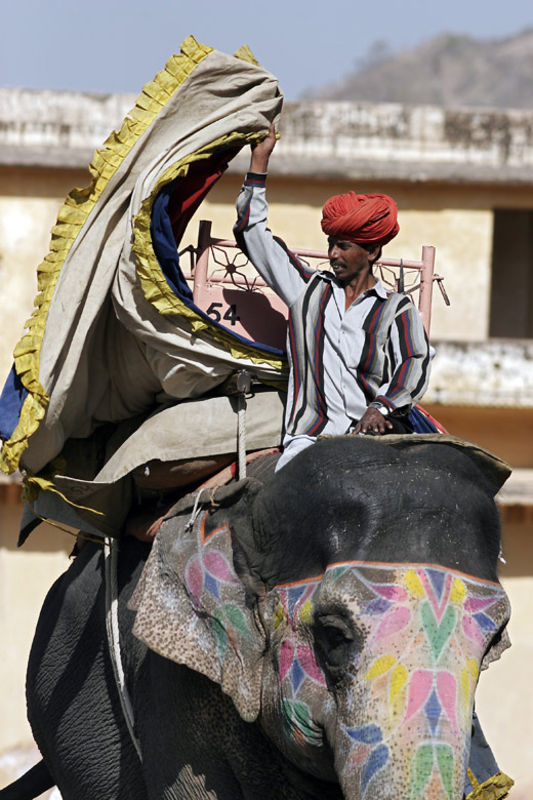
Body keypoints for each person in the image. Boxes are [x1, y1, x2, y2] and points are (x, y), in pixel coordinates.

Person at [234, 126, 431, 471]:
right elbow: (252, 233)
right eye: (331, 245)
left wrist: (380, 408)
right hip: (308, 440)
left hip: (370, 439)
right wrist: (260, 160)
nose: (332, 255)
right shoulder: (306, 289)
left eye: (343, 246)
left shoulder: (397, 308)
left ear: (372, 252)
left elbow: (414, 362)